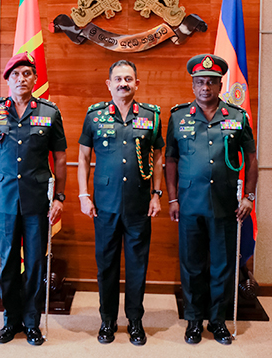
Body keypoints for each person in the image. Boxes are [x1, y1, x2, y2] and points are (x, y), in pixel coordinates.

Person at [164, 53, 258, 345]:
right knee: (191, 265)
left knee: (222, 264)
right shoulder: (178, 117)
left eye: (212, 82)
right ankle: (193, 320)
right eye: (200, 82)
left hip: (225, 204)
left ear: (220, 85)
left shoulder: (237, 117)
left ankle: (217, 321)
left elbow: (252, 160)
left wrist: (249, 197)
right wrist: (172, 198)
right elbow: (171, 160)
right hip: (190, 204)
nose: (206, 87)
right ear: (193, 85)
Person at [0, 51, 67, 346]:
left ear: (35, 78)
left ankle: (31, 323)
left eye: (27, 73)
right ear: (7, 80)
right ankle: (10, 321)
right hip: (2, 201)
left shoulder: (49, 112)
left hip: (37, 201)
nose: (21, 79)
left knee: (36, 265)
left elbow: (61, 159)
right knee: (8, 264)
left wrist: (60, 198)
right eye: (15, 74)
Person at [77, 60, 164, 346]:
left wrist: (156, 193)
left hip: (139, 205)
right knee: (106, 265)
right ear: (109, 83)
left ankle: (135, 321)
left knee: (137, 265)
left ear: (137, 83)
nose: (123, 83)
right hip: (105, 205)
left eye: (128, 79)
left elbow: (159, 157)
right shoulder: (95, 115)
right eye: (118, 79)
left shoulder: (151, 116)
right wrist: (83, 195)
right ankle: (107, 320)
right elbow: (84, 158)